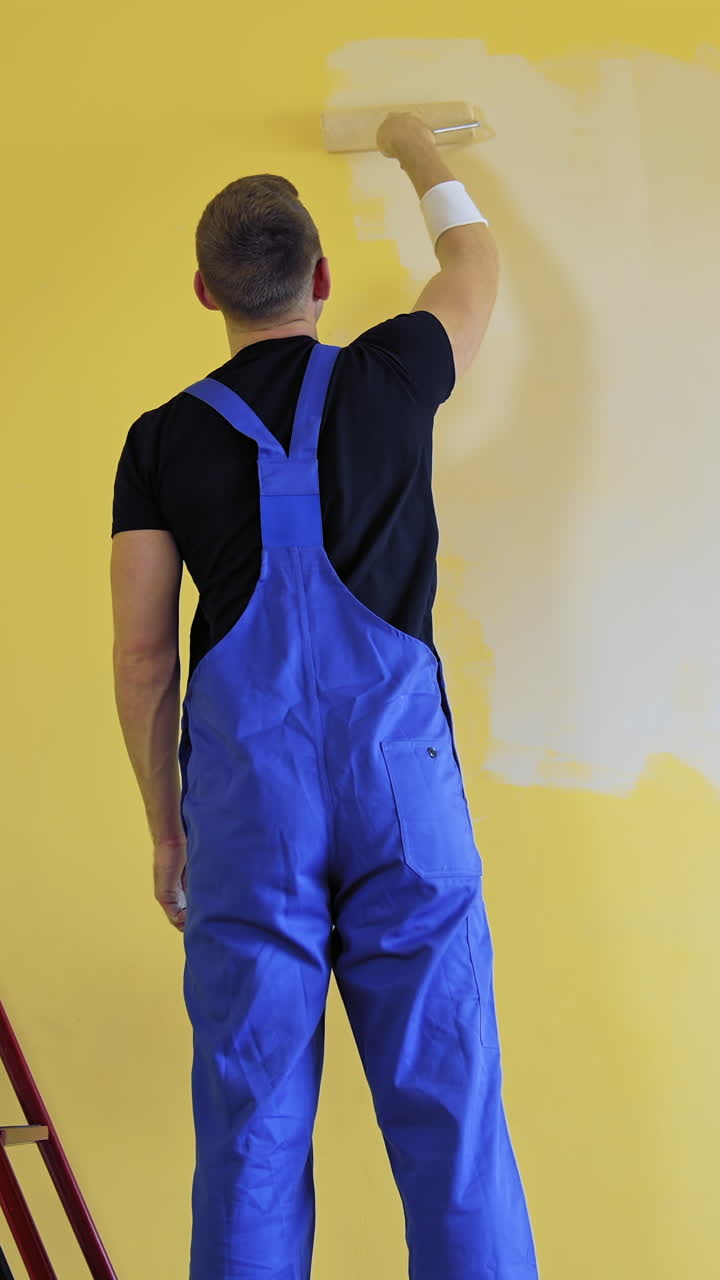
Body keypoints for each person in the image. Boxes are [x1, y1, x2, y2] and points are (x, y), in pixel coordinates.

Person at [110, 111, 538, 1279]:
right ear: (325, 278)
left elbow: (145, 654)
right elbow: (474, 263)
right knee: (453, 1128)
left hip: (251, 806)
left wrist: (166, 825)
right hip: (404, 791)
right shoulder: (398, 372)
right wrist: (414, 148)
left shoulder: (159, 441)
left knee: (250, 1138)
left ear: (205, 291)